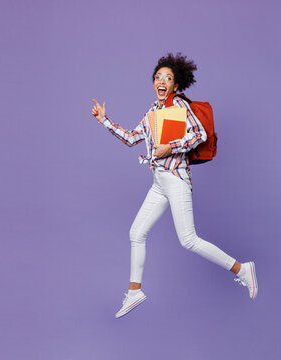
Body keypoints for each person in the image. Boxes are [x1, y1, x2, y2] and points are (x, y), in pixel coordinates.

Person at [91, 53, 258, 319]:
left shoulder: (178, 105)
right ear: (153, 83)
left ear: (176, 85)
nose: (162, 81)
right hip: (159, 182)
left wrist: (170, 146)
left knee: (188, 240)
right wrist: (104, 120)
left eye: (168, 78)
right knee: (136, 233)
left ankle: (242, 269)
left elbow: (199, 134)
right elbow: (132, 138)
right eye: (158, 77)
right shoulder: (151, 114)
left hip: (176, 179)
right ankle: (135, 291)